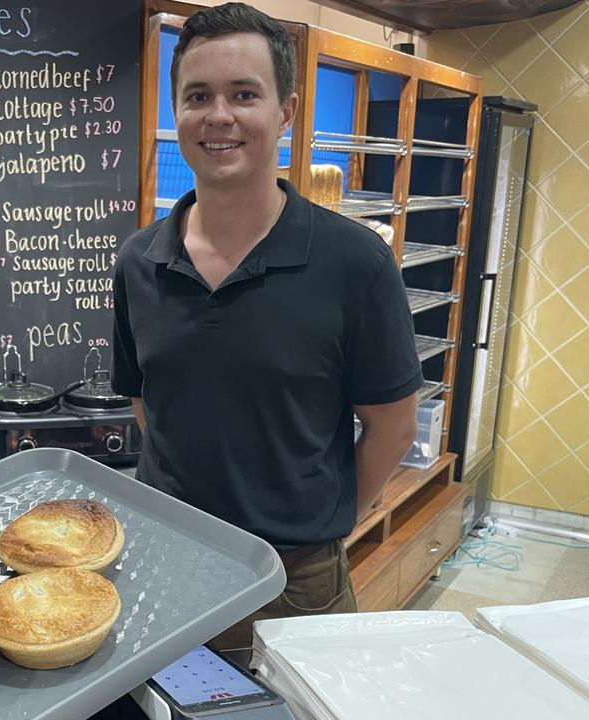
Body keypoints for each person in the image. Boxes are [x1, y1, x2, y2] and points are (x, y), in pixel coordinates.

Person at [111, 2, 421, 650]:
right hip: (169, 566)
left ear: (286, 111)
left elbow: (392, 428)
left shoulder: (355, 263)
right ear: (177, 110)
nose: (218, 115)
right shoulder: (139, 261)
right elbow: (149, 405)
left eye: (243, 94)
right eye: (198, 96)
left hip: (297, 586)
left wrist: (317, 524)